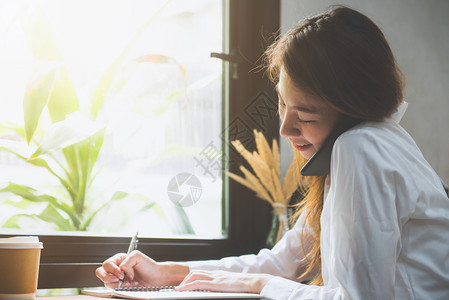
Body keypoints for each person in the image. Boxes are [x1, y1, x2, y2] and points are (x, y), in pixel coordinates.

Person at [96, 5, 449, 299]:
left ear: (352, 107)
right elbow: (281, 260)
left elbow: (360, 298)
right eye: (282, 103)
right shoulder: (373, 145)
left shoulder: (360, 147)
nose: (285, 129)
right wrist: (165, 272)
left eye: (306, 115)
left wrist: (260, 285)